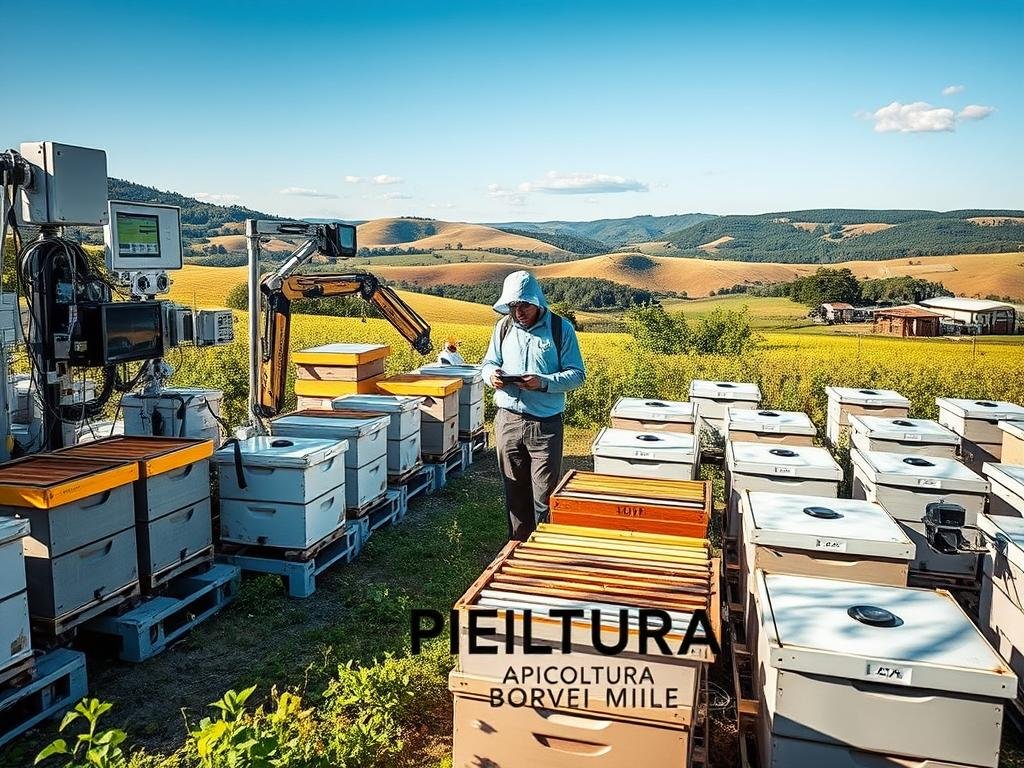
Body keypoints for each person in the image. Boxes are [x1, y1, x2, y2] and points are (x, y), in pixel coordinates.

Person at [481, 271, 586, 540]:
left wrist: (543, 382)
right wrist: (491, 376)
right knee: (514, 492)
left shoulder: (561, 329)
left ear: (537, 302)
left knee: (545, 495)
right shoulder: (502, 327)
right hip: (508, 420)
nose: (518, 312)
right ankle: (517, 547)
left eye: (523, 306)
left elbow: (577, 374)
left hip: (545, 425)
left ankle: (545, 549)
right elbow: (488, 363)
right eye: (513, 307)